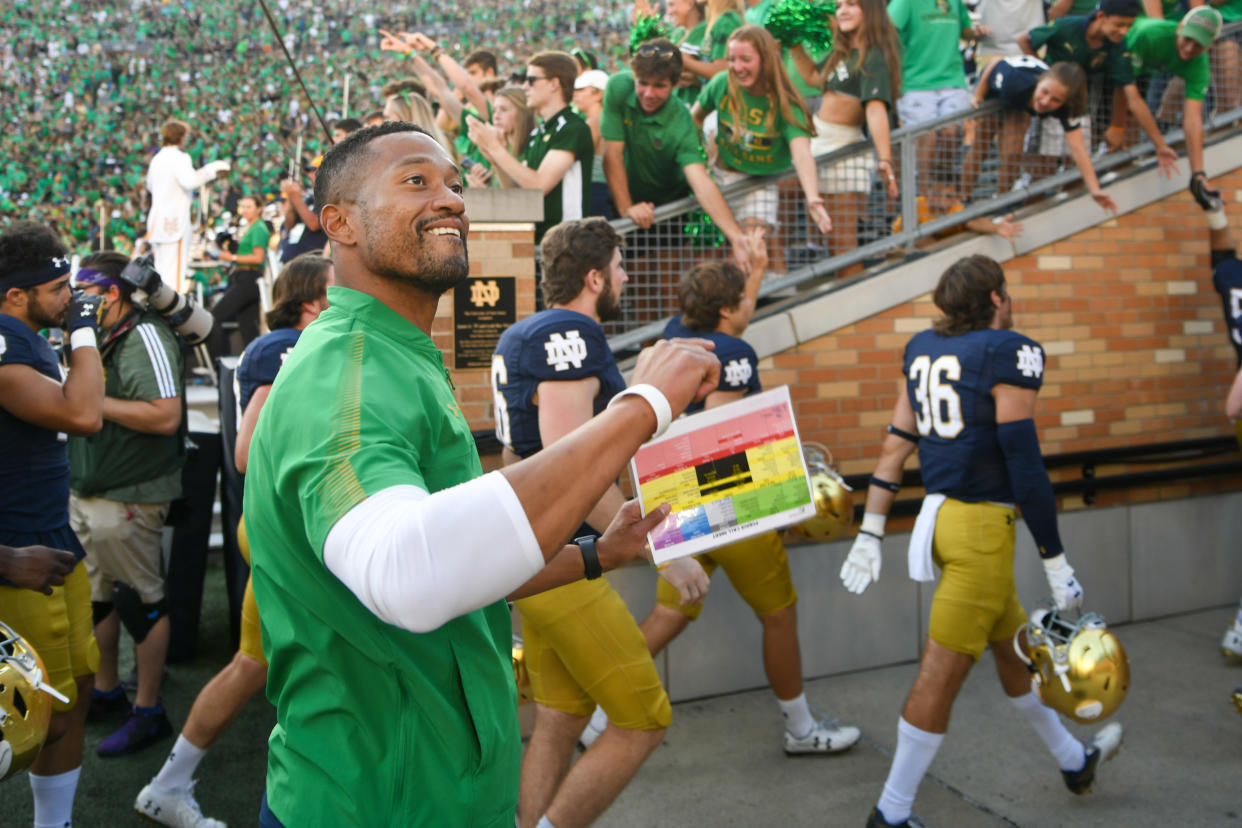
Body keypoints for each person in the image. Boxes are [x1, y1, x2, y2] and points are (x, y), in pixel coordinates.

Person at [243, 122, 720, 827]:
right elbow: (408, 573)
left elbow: (463, 563)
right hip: (378, 804)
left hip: (443, 791)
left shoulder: (398, 355)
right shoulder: (345, 373)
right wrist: (642, 407)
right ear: (337, 222)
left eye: (456, 184)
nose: (451, 200)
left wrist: (597, 553)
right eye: (417, 180)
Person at [844, 254, 1122, 828]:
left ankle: (1075, 761)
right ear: (996, 299)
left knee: (1014, 650)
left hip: (942, 521)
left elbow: (896, 446)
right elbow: (1024, 463)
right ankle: (890, 815)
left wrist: (870, 529)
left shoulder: (922, 347)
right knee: (939, 674)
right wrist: (1055, 560)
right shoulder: (1006, 350)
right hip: (979, 534)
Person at [492, 218, 711, 828]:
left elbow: (521, 458)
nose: (625, 275)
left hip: (538, 556)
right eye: (618, 266)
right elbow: (572, 464)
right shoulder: (569, 331)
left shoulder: (525, 332)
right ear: (593, 276)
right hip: (562, 568)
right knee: (644, 718)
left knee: (561, 718)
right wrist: (666, 548)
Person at [624, 229, 861, 755]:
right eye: (741, 303)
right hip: (727, 502)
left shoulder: (675, 333)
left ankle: (600, 717)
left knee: (668, 616)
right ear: (727, 311)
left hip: (675, 505)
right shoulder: (733, 353)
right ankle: (800, 729)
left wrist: (751, 269)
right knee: (779, 615)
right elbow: (718, 432)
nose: (746, 309)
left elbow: (733, 317)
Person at [134, 255, 332, 828]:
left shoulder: (294, 345)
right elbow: (248, 451)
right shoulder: (287, 347)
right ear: (312, 300)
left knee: (252, 662)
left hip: (282, 531)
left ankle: (168, 783)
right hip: (290, 534)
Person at [0, 221, 104, 828]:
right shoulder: (5, 345)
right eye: (59, 286)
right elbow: (84, 412)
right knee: (21, 717)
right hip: (15, 557)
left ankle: (53, 823)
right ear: (16, 295)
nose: (71, 297)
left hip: (51, 544)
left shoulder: (24, 338)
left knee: (71, 696)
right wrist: (86, 332)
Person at [69, 250, 186, 758]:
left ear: (111, 294)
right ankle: (107, 690)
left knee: (140, 602)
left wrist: (85, 401)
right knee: (97, 601)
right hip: (94, 493)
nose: (76, 304)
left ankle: (149, 709)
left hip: (132, 495)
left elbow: (165, 416)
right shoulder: (100, 335)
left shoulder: (144, 335)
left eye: (85, 293)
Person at [601, 39, 750, 270]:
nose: (649, 93)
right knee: (635, 277)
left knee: (668, 277)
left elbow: (700, 180)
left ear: (676, 84)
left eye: (659, 85)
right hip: (629, 197)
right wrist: (627, 208)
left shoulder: (681, 122)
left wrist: (736, 236)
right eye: (643, 83)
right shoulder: (618, 87)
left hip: (669, 205)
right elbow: (612, 155)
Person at [691, 25, 832, 261]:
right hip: (719, 181)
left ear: (765, 59)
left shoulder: (786, 103)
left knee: (746, 255)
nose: (737, 67)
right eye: (732, 59)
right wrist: (701, 156)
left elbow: (802, 154)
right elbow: (695, 118)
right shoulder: (721, 83)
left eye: (746, 59)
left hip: (758, 187)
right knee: (713, 263)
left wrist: (812, 197)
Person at [791, 0, 903, 271]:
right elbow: (812, 77)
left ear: (872, 10)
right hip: (818, 144)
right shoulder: (843, 52)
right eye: (839, 5)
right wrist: (792, 43)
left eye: (852, 4)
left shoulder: (874, 56)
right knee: (833, 245)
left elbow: (876, 110)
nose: (842, 11)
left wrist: (885, 159)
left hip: (843, 151)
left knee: (843, 247)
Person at [1017, 0, 1180, 180]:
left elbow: (1128, 94)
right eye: (1119, 24)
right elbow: (1024, 39)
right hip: (1047, 105)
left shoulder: (1118, 46)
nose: (1124, 31)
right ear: (1101, 16)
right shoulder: (1067, 26)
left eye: (1129, 26)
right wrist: (1044, 75)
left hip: (1079, 107)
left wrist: (1121, 128)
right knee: (1042, 165)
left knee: (1075, 168)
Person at [469, 51, 595, 244]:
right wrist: (495, 160)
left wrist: (495, 148)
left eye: (532, 80)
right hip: (538, 240)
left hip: (568, 242)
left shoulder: (572, 127)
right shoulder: (538, 134)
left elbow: (538, 186)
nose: (525, 86)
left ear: (554, 83)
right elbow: (519, 193)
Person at [964, 57, 1117, 211]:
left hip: (1021, 102)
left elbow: (1079, 149)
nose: (1045, 101)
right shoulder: (1016, 81)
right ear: (1040, 82)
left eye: (1055, 100)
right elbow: (995, 62)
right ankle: (964, 197)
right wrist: (979, 94)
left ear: (1065, 102)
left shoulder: (1065, 107)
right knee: (982, 143)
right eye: (1044, 92)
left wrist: (1095, 189)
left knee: (1012, 153)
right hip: (998, 88)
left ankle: (1001, 202)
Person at [887, 0, 989, 200]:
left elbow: (965, 29)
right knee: (928, 137)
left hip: (951, 79)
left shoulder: (955, 2)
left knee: (951, 132)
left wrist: (976, 33)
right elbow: (885, 31)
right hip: (914, 83)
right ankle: (925, 198)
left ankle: (945, 191)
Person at [1122, 7, 1224, 205]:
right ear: (1179, 28)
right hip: (1119, 57)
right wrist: (1160, 144)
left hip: (1146, 70)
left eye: (1198, 45)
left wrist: (1198, 174)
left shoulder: (1199, 65)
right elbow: (1128, 97)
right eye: (1187, 39)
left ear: (1210, 45)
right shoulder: (1149, 34)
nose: (1189, 49)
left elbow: (1193, 119)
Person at [145, 119, 230, 294]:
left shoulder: (157, 159)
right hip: (174, 220)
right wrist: (211, 170)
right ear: (181, 138)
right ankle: (169, 312)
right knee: (174, 274)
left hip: (157, 220)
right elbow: (190, 181)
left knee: (161, 269)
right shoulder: (180, 157)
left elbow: (149, 186)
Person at [207, 194, 270, 360]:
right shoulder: (249, 227)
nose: (245, 210)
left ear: (259, 208)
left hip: (248, 277)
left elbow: (258, 258)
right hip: (244, 277)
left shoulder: (258, 228)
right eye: (244, 206)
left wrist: (231, 258)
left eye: (249, 207)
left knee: (215, 316)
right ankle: (255, 362)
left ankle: (220, 361)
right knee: (248, 327)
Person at [573, 69, 614, 218]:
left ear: (599, 94)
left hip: (595, 191)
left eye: (581, 90)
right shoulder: (606, 120)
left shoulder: (594, 123)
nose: (575, 94)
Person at [277, 156, 328, 264]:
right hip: (294, 262)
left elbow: (314, 224)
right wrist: (291, 198)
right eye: (308, 171)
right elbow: (289, 224)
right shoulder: (310, 199)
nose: (309, 174)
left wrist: (296, 197)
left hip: (313, 264)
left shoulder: (329, 197)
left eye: (313, 170)